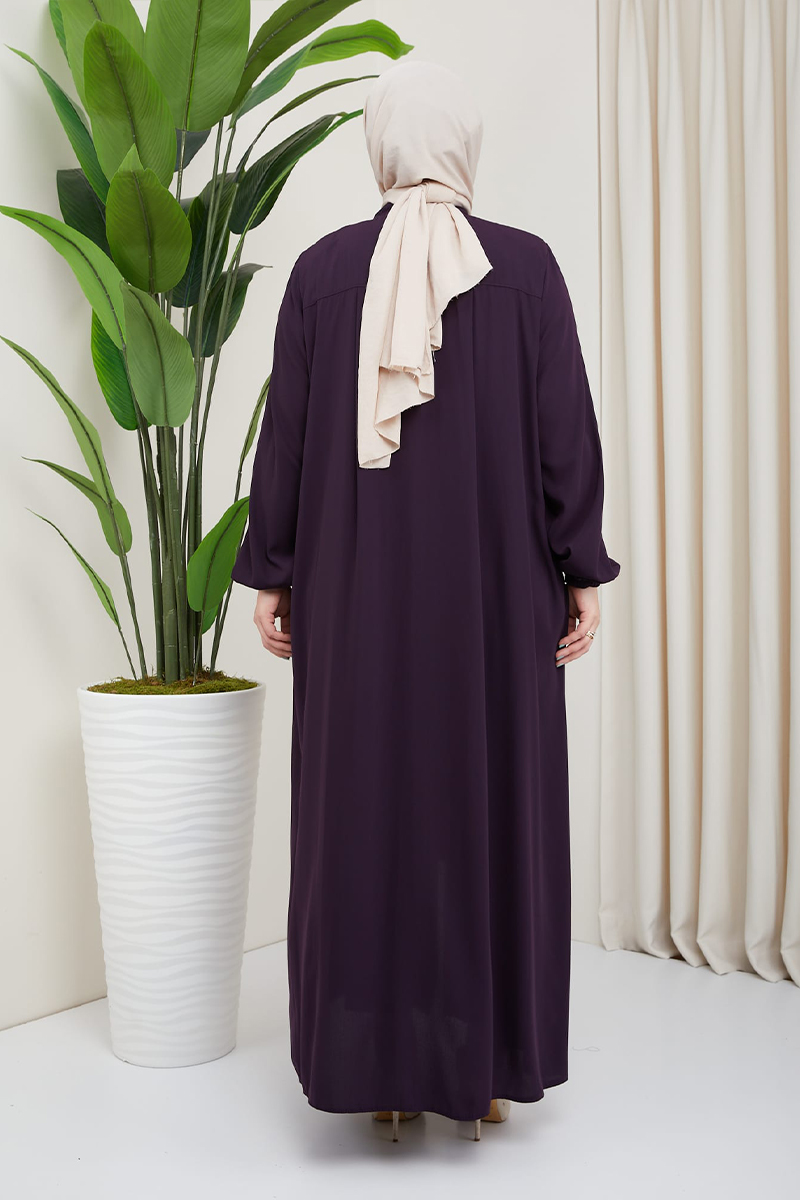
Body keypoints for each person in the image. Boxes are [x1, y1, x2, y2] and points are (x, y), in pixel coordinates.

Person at [231, 59, 620, 1143]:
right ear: (464, 145)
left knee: (366, 811)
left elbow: (288, 439)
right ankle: (482, 1070)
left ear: (381, 148)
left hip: (356, 597)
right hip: (496, 599)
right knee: (485, 805)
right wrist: (579, 567)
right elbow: (564, 435)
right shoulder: (525, 270)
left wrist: (275, 570)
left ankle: (379, 1074)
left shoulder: (322, 273)